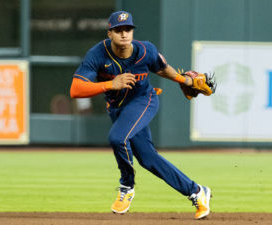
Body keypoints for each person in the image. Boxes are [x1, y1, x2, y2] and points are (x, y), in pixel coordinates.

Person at [70, 11, 211, 219]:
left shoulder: (146, 50)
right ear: (109, 33)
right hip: (117, 107)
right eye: (118, 30)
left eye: (127, 29)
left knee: (117, 138)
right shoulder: (97, 54)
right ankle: (197, 191)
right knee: (148, 158)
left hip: (144, 101)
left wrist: (186, 81)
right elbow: (76, 89)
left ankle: (126, 186)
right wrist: (111, 84)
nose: (124, 34)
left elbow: (163, 69)